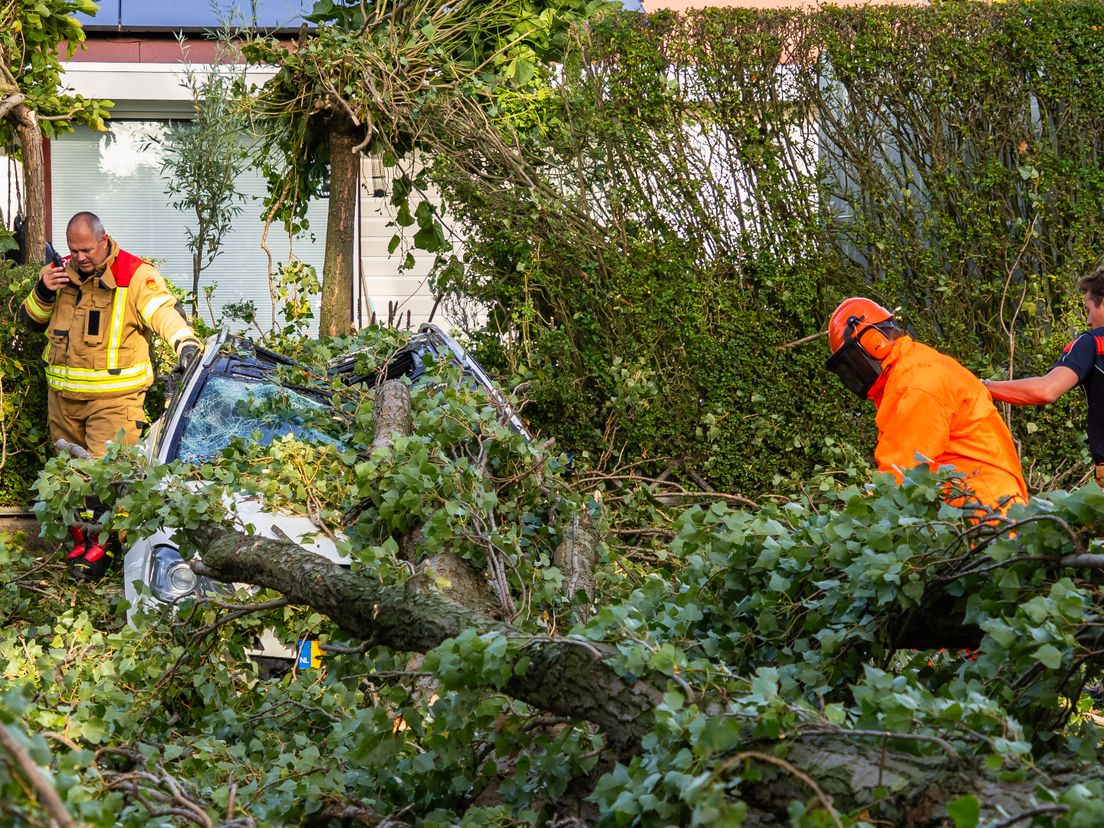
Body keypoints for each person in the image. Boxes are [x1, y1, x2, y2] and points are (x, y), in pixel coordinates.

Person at [19, 211, 202, 579]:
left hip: (114, 402)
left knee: (105, 479)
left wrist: (186, 344)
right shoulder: (60, 272)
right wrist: (43, 290)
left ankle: (104, 551)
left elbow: (164, 313)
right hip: (63, 401)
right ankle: (81, 546)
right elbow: (30, 320)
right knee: (68, 479)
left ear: (104, 240)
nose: (79, 257)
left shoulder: (134, 274)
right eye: (73, 249)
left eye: (86, 249)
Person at [826, 297, 1028, 510]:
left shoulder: (916, 382)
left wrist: (863, 519)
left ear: (874, 342)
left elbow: (899, 474)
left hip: (986, 507)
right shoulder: (908, 372)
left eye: (852, 361)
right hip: (971, 504)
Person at [983, 267, 1104, 486]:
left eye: (1088, 309)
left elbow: (1046, 390)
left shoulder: (1092, 343)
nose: (1087, 320)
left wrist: (984, 386)